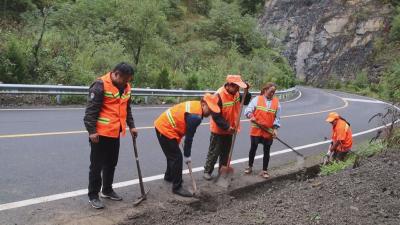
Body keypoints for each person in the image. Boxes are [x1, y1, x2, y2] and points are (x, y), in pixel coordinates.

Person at [83, 62, 138, 209]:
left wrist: (131, 126)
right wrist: (92, 131)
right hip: (100, 135)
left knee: (111, 164)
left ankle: (107, 190)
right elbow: (90, 112)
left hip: (115, 133)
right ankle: (93, 195)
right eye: (125, 79)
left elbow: (127, 109)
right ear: (116, 74)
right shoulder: (100, 85)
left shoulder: (126, 88)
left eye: (129, 80)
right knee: (96, 166)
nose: (127, 82)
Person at [154, 93, 220, 197]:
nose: (210, 113)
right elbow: (189, 138)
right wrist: (187, 155)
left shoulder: (196, 106)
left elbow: (186, 130)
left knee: (171, 154)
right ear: (203, 104)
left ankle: (169, 176)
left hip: (166, 126)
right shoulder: (196, 117)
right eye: (210, 109)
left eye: (212, 111)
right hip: (165, 128)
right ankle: (177, 187)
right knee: (177, 157)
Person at [203, 75, 251, 180]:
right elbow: (215, 115)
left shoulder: (236, 93)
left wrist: (247, 91)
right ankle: (207, 171)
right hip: (219, 129)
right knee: (214, 152)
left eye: (239, 87)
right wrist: (226, 126)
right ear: (229, 85)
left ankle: (222, 172)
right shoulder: (219, 95)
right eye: (236, 87)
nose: (238, 89)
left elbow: (245, 101)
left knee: (225, 153)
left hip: (231, 129)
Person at [243, 82, 281, 179]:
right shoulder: (257, 99)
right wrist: (251, 116)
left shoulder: (277, 102)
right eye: (271, 91)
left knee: (266, 151)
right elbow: (247, 111)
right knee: (253, 149)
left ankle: (264, 170)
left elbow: (277, 117)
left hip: (268, 131)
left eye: (274, 92)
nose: (272, 94)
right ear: (265, 90)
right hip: (257, 130)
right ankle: (250, 166)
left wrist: (275, 129)